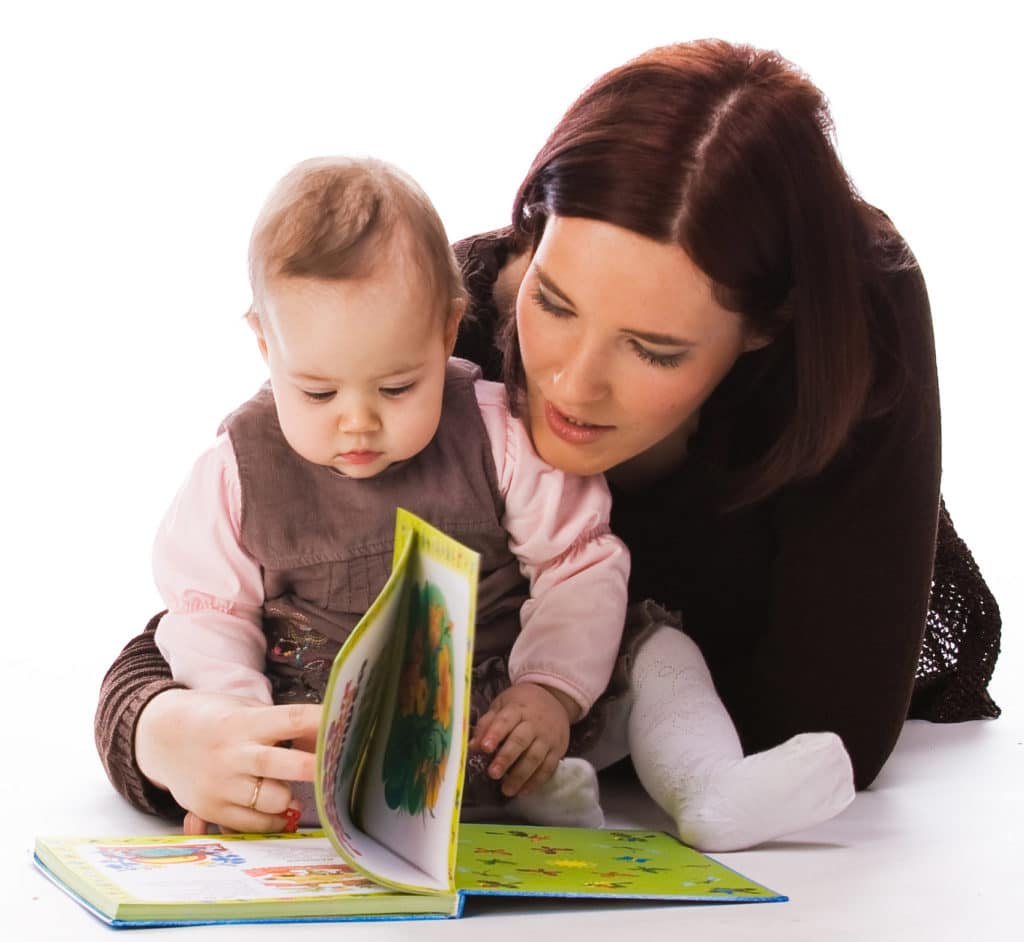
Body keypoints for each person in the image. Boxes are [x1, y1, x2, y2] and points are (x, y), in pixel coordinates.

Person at [96, 40, 1001, 851]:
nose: (568, 383)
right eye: (556, 302)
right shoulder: (430, 347)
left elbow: (830, 728)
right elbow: (227, 606)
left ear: (765, 333)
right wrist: (169, 732)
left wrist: (569, 697)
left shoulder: (846, 346)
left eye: (654, 349)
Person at [149, 155, 633, 834]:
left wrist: (550, 689)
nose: (358, 421)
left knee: (662, 656)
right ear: (265, 344)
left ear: (444, 332)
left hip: (504, 712)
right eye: (317, 391)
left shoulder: (499, 434)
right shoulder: (237, 472)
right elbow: (207, 612)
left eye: (398, 387)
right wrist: (241, 727)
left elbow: (578, 562)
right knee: (304, 788)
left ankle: (702, 779)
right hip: (337, 725)